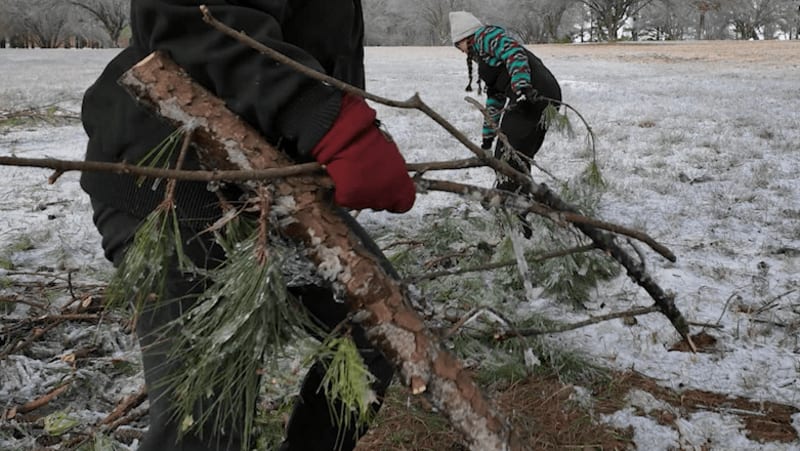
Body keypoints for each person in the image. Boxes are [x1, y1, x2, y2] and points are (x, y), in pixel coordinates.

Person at [79, 1, 416, 450]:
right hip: (174, 185)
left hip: (275, 187)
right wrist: (325, 119)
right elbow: (187, 12)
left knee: (380, 322)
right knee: (206, 423)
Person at [449, 11, 562, 237]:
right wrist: (487, 137)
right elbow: (495, 101)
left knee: (508, 157)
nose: (459, 51)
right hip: (542, 95)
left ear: (465, 38)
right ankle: (520, 217)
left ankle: (505, 212)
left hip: (533, 95)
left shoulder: (487, 37)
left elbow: (514, 52)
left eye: (457, 45)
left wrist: (521, 87)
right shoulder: (484, 58)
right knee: (518, 156)